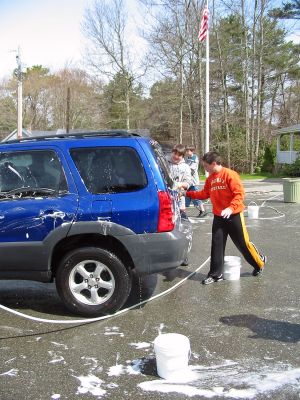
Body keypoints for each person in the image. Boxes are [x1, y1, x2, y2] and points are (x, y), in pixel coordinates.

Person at [186, 151, 266, 284]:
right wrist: (187, 194)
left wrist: (231, 208)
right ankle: (215, 274)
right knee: (217, 244)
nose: (204, 168)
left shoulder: (230, 174)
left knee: (243, 245)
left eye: (206, 166)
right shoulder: (210, 179)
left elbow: (239, 194)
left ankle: (259, 263)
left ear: (214, 163)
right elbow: (204, 194)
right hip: (219, 216)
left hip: (234, 215)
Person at [167, 144, 192, 220]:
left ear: (183, 156)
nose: (176, 157)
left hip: (180, 197)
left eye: (179, 155)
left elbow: (188, 183)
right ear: (172, 152)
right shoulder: (165, 163)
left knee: (181, 218)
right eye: (175, 154)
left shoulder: (186, 167)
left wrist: (179, 184)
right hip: (166, 197)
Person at [185, 145, 207, 218]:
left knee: (196, 197)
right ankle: (182, 213)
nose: (187, 152)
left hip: (193, 182)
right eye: (186, 151)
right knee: (186, 197)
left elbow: (191, 169)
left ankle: (203, 211)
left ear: (192, 151)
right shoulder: (187, 158)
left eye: (188, 151)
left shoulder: (194, 159)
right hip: (188, 182)